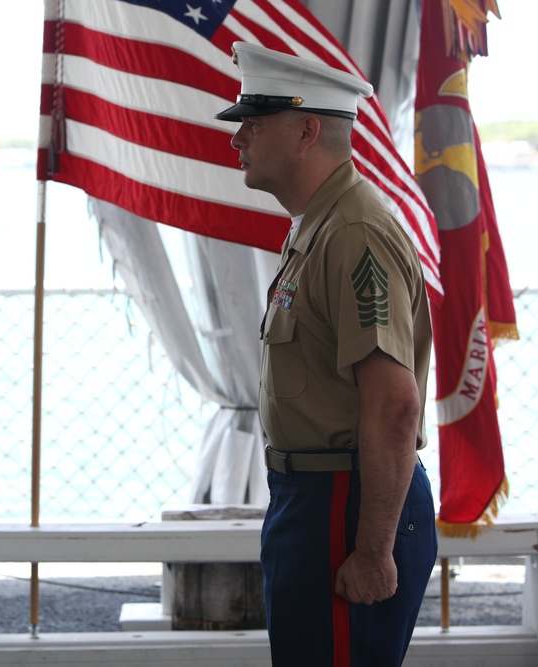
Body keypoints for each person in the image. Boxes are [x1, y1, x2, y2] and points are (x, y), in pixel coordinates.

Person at [214, 43, 437, 666]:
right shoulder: (320, 224)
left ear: (307, 129)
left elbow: (394, 405)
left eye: (253, 124)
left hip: (346, 501)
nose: (239, 140)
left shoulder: (352, 232)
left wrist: (372, 551)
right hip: (313, 497)